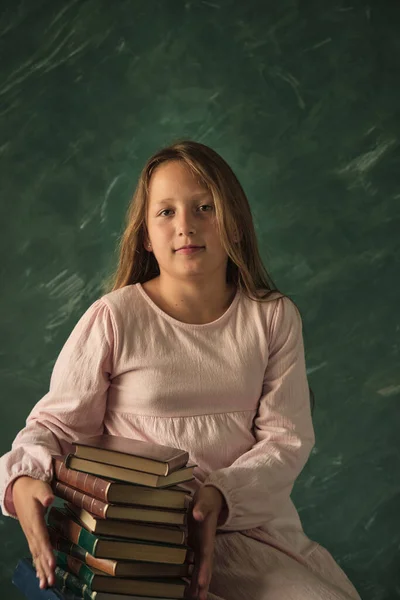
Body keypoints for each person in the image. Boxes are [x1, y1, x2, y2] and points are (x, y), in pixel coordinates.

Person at [0, 140, 360, 600]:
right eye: (166, 212)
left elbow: (284, 440)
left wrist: (218, 498)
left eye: (204, 207)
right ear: (146, 236)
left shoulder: (273, 318)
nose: (185, 226)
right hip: (138, 546)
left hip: (244, 531)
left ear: (235, 224)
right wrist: (24, 476)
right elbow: (54, 426)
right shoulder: (114, 317)